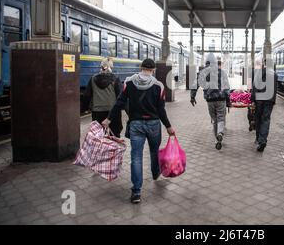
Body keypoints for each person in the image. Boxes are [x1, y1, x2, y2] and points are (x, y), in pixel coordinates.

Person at [102, 58, 175, 204]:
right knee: (154, 151)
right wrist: (168, 126)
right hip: (153, 124)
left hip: (136, 124)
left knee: (136, 157)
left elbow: (119, 103)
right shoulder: (158, 86)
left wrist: (108, 119)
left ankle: (136, 192)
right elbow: (161, 110)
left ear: (141, 67)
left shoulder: (129, 82)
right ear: (153, 70)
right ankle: (155, 173)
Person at [190, 53, 231, 150]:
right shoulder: (222, 72)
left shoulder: (202, 72)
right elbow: (227, 87)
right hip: (221, 99)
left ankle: (217, 140)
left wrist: (192, 97)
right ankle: (220, 132)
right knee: (221, 118)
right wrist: (228, 100)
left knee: (214, 119)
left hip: (210, 100)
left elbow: (195, 85)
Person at [82, 57, 123, 137]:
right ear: (111, 67)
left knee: (98, 135)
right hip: (113, 112)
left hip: (97, 111)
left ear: (101, 66)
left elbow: (87, 95)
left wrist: (85, 108)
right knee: (114, 134)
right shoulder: (115, 79)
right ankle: (112, 149)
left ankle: (101, 149)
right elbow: (120, 96)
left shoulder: (93, 79)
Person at [251, 59, 278, 153]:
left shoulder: (258, 72)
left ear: (264, 64)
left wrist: (253, 100)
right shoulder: (274, 74)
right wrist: (273, 101)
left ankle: (259, 139)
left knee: (258, 119)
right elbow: (275, 89)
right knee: (265, 120)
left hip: (259, 99)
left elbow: (254, 87)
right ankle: (262, 140)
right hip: (269, 100)